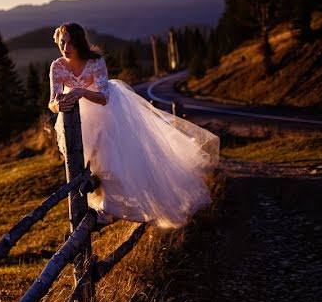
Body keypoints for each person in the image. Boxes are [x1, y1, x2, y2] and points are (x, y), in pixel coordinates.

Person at [48, 22, 218, 229]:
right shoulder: (57, 66)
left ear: (80, 43)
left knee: (110, 160)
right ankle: (93, 204)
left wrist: (81, 92)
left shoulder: (95, 61)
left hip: (105, 112)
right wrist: (59, 104)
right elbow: (52, 102)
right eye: (63, 42)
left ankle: (109, 209)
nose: (66, 48)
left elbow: (104, 97)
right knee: (84, 165)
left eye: (71, 43)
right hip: (78, 119)